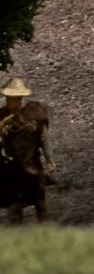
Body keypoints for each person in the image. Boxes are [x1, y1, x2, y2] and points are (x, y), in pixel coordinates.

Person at [0, 77, 52, 224]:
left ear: (20, 99)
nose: (11, 102)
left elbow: (44, 137)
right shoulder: (1, 116)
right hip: (11, 167)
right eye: (9, 98)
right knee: (14, 205)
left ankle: (47, 233)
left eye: (14, 99)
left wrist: (50, 160)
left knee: (40, 203)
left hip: (31, 163)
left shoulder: (33, 115)